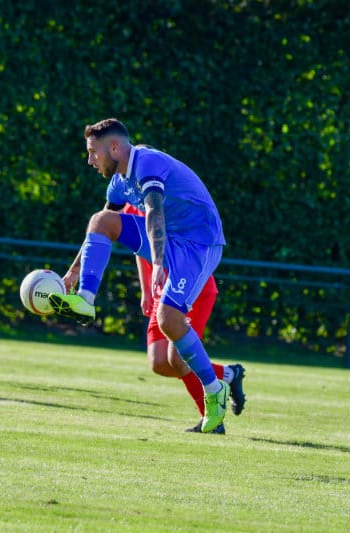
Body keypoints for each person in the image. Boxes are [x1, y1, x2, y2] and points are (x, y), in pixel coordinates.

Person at [49, 118, 229, 433]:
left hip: (198, 244)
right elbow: (102, 226)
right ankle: (86, 299)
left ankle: (215, 389)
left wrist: (158, 263)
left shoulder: (148, 163)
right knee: (102, 220)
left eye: (93, 152)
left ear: (114, 147)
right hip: (169, 238)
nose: (90, 160)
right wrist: (73, 273)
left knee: (168, 319)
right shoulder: (118, 181)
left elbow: (155, 213)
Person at [125, 205, 246, 433]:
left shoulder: (170, 198)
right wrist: (146, 290)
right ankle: (228, 375)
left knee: (178, 358)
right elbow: (139, 250)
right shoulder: (130, 203)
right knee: (159, 362)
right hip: (161, 293)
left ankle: (212, 421)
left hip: (191, 287)